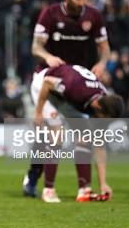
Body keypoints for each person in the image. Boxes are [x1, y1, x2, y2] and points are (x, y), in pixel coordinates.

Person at [23, 0, 110, 202]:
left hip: (75, 82)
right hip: (48, 79)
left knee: (84, 133)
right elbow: (35, 47)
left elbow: (105, 49)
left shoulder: (94, 16)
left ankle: (85, 189)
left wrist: (101, 64)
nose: (82, 2)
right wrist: (48, 56)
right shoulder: (50, 14)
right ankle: (40, 182)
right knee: (53, 134)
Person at [34, 64, 124, 203]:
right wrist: (38, 112)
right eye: (105, 119)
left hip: (65, 97)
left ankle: (84, 191)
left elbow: (99, 147)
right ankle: (48, 190)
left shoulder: (104, 103)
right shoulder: (77, 89)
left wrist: (103, 184)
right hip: (43, 86)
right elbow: (47, 83)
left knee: (85, 137)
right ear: (99, 108)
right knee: (57, 134)